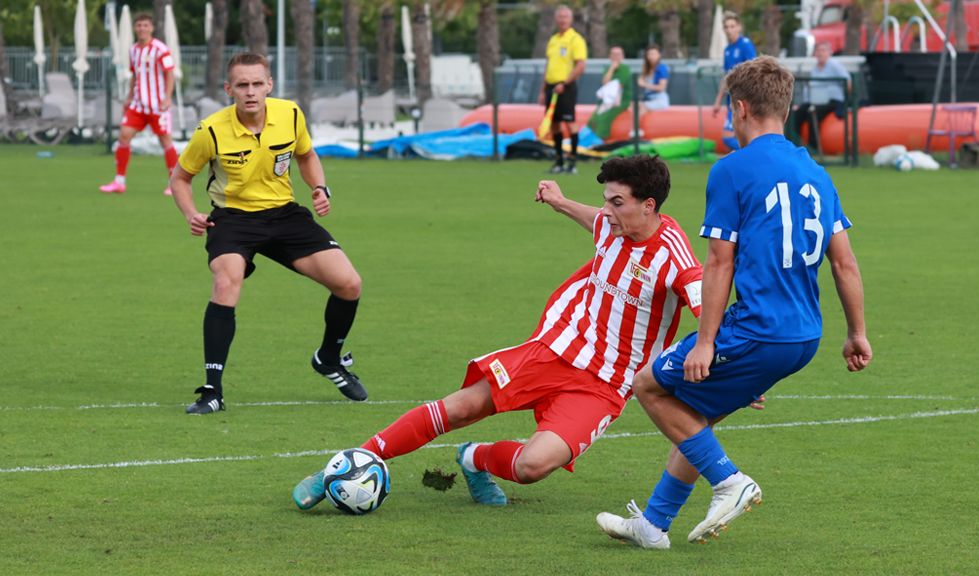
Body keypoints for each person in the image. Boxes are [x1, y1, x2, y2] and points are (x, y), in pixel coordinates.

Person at [292, 155, 704, 510]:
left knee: (533, 467)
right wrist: (559, 202)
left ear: (648, 206)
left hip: (605, 384)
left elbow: (710, 311)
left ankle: (474, 459)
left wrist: (729, 363)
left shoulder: (675, 257)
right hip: (554, 349)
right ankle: (345, 466)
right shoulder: (614, 226)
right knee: (460, 408)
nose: (607, 211)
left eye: (617, 202)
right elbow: (595, 220)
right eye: (606, 201)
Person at [596, 56, 872, 549]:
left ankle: (730, 482)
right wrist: (857, 333)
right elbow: (845, 264)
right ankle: (654, 525)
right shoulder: (815, 172)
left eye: (729, 110)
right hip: (805, 335)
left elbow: (719, 263)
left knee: (651, 386)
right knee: (695, 416)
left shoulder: (732, 170)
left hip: (758, 327)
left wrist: (706, 343)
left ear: (740, 108)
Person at [168, 53, 367, 415]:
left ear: (269, 85)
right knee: (226, 282)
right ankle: (212, 391)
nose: (250, 92)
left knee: (349, 284)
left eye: (257, 84)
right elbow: (180, 178)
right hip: (233, 219)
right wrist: (190, 214)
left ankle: (328, 358)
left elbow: (307, 155)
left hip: (285, 216)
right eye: (242, 85)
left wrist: (320, 188)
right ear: (229, 89)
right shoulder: (211, 130)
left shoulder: (290, 114)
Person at [99, 13, 178, 196]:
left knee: (165, 141)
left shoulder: (160, 49)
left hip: (158, 105)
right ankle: (119, 182)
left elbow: (170, 74)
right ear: (135, 28)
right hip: (138, 105)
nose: (142, 28)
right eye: (139, 25)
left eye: (145, 25)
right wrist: (128, 97)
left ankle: (174, 184)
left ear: (151, 28)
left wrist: (167, 97)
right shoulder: (133, 50)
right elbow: (135, 74)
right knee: (124, 136)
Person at [540, 5, 587, 175]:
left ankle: (572, 162)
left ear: (571, 19)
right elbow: (548, 65)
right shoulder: (553, 39)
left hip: (566, 87)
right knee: (554, 125)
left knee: (570, 122)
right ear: (555, 19)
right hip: (552, 87)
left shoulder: (575, 39)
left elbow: (581, 65)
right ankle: (559, 161)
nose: (562, 19)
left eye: (565, 16)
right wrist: (543, 89)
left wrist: (565, 84)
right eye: (559, 16)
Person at [790, 42, 851, 152]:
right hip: (816, 100)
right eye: (818, 50)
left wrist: (846, 98)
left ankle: (813, 148)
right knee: (797, 114)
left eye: (823, 50)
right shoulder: (814, 69)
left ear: (829, 52)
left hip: (833, 101)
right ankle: (794, 145)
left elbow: (848, 82)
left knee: (813, 114)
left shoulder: (834, 65)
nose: (820, 53)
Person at [712, 11, 757, 152]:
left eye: (732, 26)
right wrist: (718, 101)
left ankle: (754, 154)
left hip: (743, 100)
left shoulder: (745, 44)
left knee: (728, 137)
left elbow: (754, 70)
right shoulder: (727, 50)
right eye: (726, 27)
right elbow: (727, 77)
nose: (729, 30)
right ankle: (749, 157)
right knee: (736, 140)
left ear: (739, 27)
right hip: (731, 100)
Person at [587, 45, 631, 140]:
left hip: (620, 101)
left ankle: (600, 140)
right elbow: (605, 83)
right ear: (610, 56)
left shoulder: (625, 69)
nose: (615, 57)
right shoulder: (607, 69)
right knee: (593, 118)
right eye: (613, 54)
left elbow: (618, 87)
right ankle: (588, 139)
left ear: (622, 56)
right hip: (608, 101)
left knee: (605, 117)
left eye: (618, 54)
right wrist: (611, 69)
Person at [638, 46, 670, 116]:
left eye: (653, 54)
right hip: (648, 99)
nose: (651, 56)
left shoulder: (662, 68)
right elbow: (640, 81)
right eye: (649, 54)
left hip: (659, 100)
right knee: (632, 105)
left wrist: (645, 84)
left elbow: (661, 88)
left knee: (641, 108)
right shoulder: (646, 68)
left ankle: (636, 126)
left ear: (659, 55)